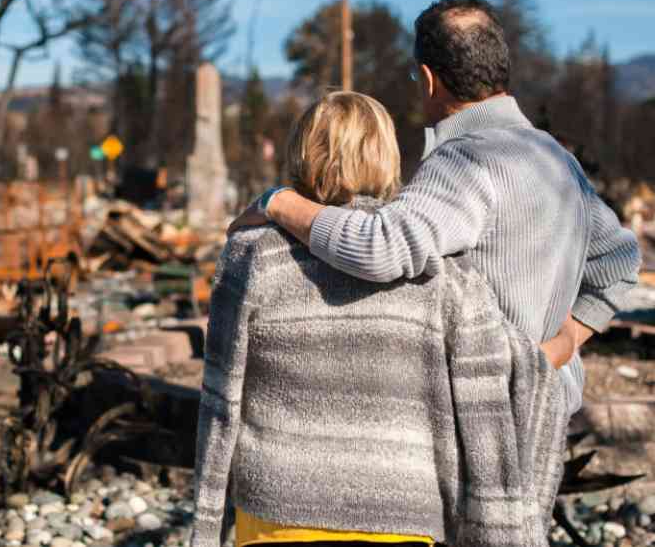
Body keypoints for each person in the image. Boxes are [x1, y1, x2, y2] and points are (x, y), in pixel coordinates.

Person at [230, 0, 641, 414]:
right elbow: (619, 263)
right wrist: (565, 340)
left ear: (428, 79)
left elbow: (379, 248)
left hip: (489, 416)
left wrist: (277, 202)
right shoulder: (555, 158)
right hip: (549, 408)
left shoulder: (466, 159)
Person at [192, 91, 568, 547]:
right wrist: (565, 341)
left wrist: (208, 523)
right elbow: (500, 381)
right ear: (387, 158)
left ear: (301, 154)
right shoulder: (441, 274)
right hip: (405, 516)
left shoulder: (252, 255)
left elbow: (220, 399)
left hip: (276, 511)